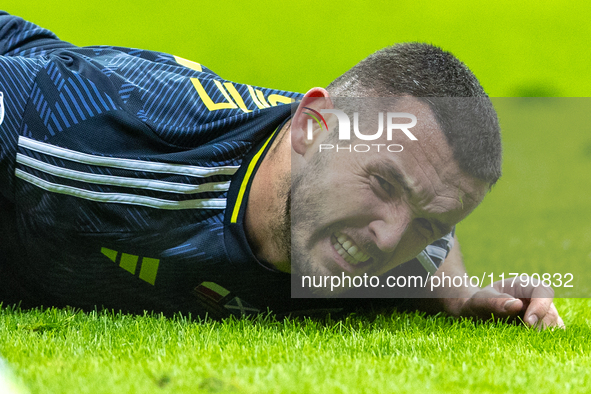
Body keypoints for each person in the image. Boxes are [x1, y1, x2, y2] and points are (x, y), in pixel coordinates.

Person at [0, 12, 563, 328]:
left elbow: (432, 224)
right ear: (310, 127)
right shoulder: (83, 130)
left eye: (426, 223)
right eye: (384, 183)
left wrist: (460, 297)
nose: (390, 238)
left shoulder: (392, 221)